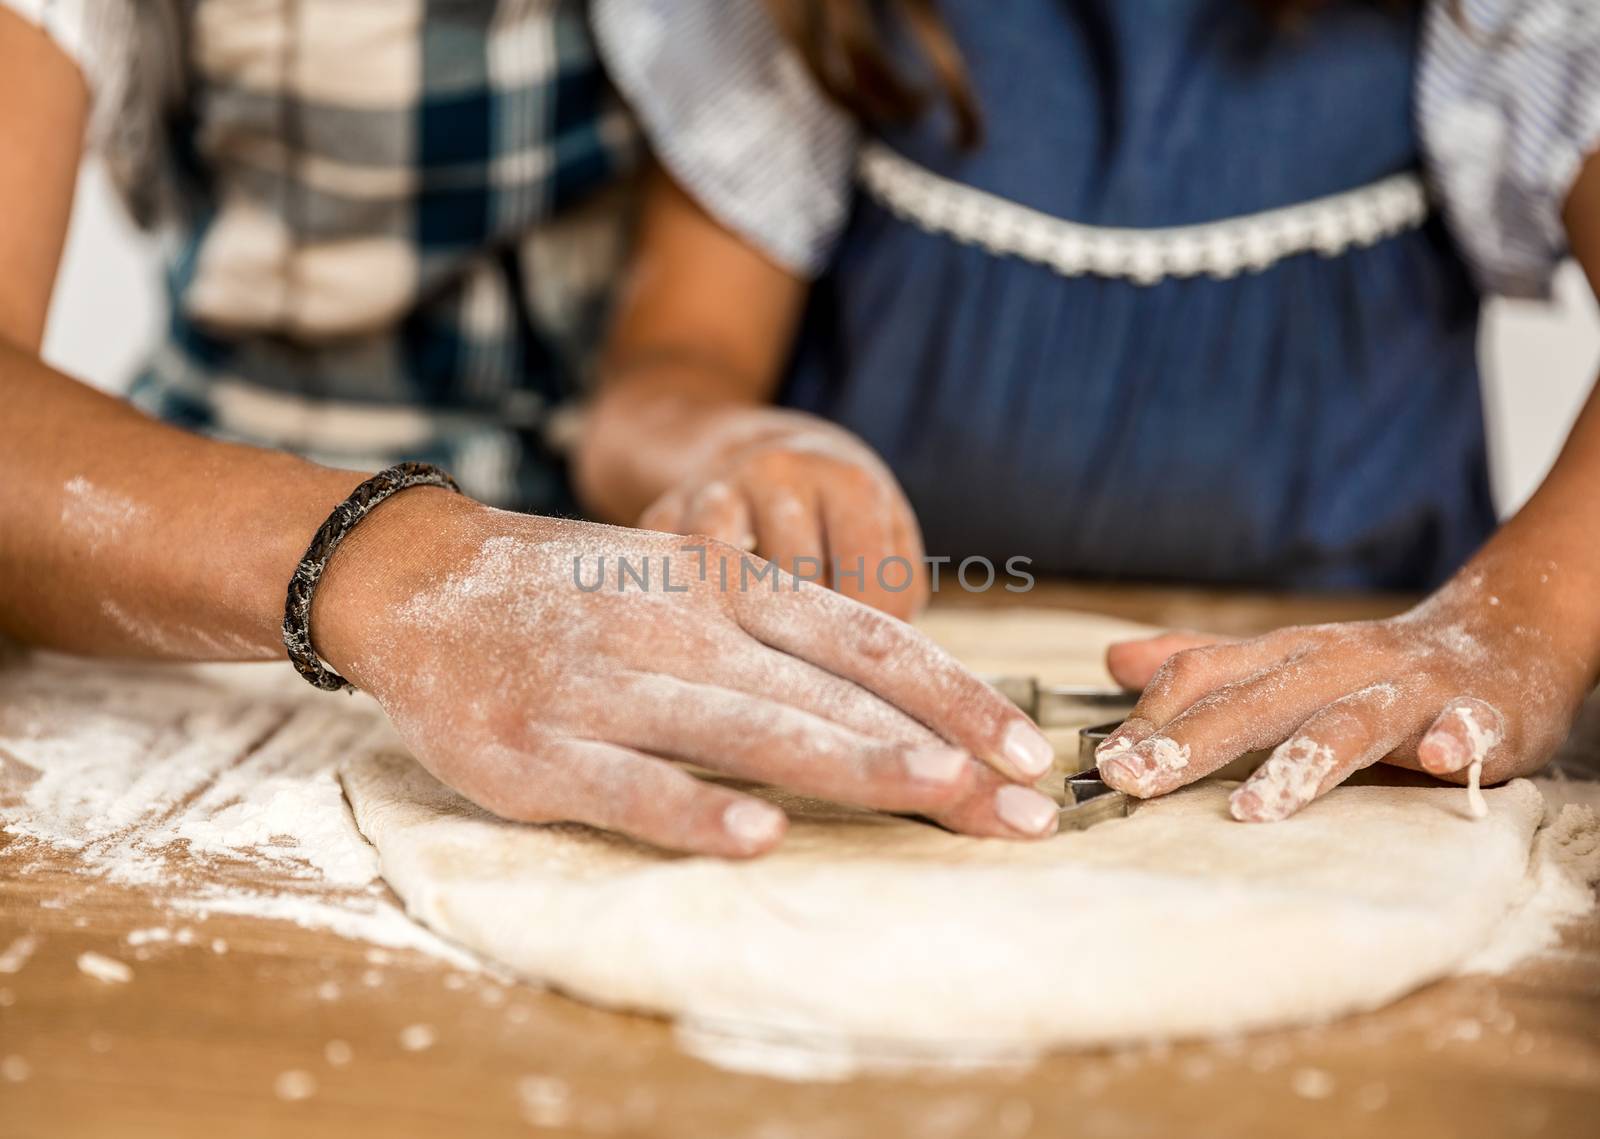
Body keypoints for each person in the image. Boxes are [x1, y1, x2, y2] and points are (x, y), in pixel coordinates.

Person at [0, 1, 1066, 857]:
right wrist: (415, 576)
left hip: (607, 623)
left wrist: (724, 446)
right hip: (183, 586)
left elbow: (671, 363)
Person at [575, 0, 1600, 821]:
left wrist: (1513, 625)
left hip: (1372, 718)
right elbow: (657, 385)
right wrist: (726, 440)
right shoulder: (805, 15)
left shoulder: (1499, 22)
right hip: (894, 666)